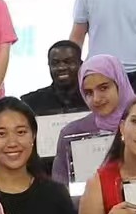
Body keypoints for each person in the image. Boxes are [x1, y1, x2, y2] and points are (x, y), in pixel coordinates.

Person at [50, 55, 131, 187]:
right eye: (88, 92)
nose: (96, 99)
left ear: (120, 83)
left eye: (103, 88)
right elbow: (60, 190)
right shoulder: (71, 132)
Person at [21, 40, 87, 117]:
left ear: (80, 64)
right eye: (55, 63)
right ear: (49, 65)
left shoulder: (93, 98)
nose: (61, 67)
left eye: (68, 62)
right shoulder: (30, 103)